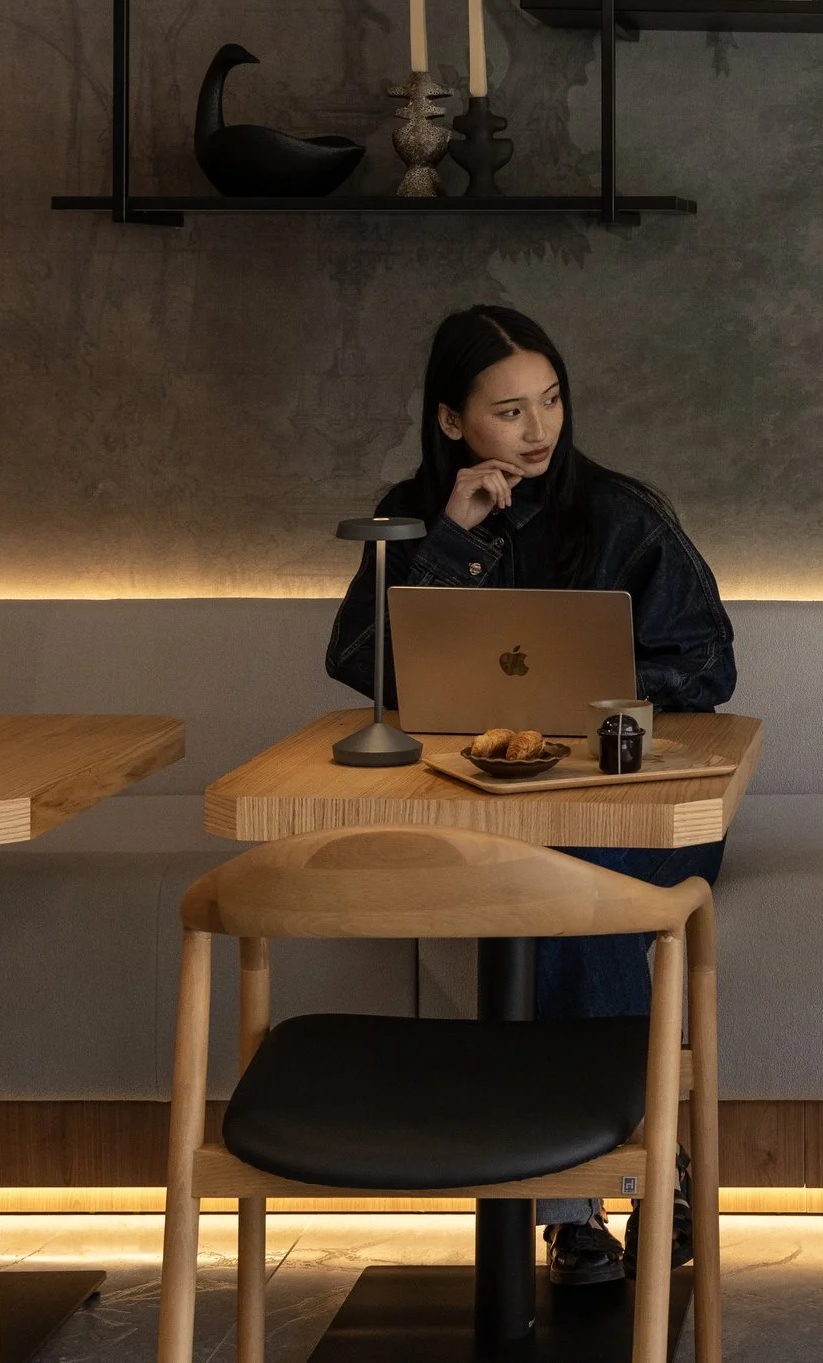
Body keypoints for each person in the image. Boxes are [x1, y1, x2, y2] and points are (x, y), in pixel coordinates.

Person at [326, 304, 734, 1285]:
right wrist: (455, 543)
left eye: (549, 400)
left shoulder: (620, 514)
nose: (538, 426)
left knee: (564, 885)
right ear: (452, 420)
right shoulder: (414, 513)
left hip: (632, 808)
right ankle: (603, 1185)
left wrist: (592, 693)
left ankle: (594, 1186)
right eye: (509, 409)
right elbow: (357, 664)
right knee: (542, 876)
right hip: (479, 806)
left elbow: (708, 666)